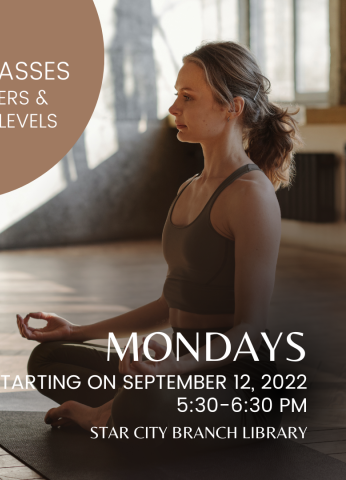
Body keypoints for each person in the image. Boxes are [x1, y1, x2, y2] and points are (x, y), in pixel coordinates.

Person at [16, 40, 304, 450]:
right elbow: (172, 303)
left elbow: (252, 330)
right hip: (179, 365)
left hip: (238, 381)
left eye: (188, 97)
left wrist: (173, 366)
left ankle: (107, 414)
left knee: (144, 398)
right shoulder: (190, 188)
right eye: (176, 95)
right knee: (48, 360)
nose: (174, 108)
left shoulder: (250, 196)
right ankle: (123, 409)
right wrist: (77, 331)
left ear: (232, 108)